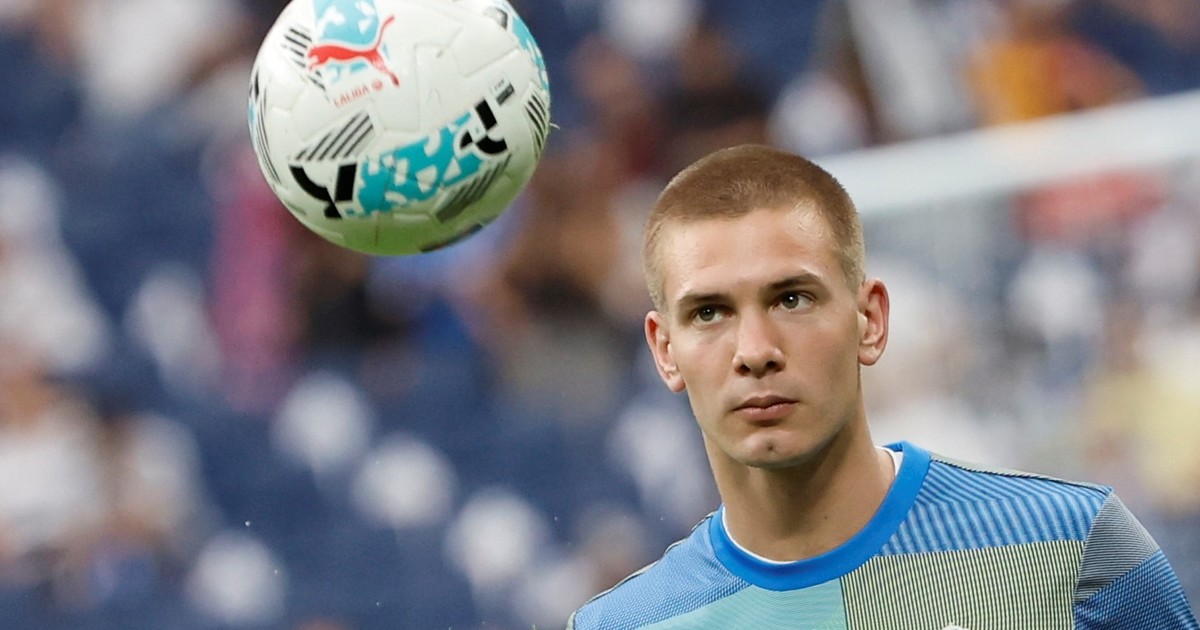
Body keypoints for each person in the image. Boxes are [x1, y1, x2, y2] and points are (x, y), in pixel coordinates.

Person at [566, 144, 1198, 629]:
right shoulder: (623, 625)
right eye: (709, 312)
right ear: (664, 350)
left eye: (792, 299)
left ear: (870, 320)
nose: (755, 351)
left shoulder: (1069, 547)